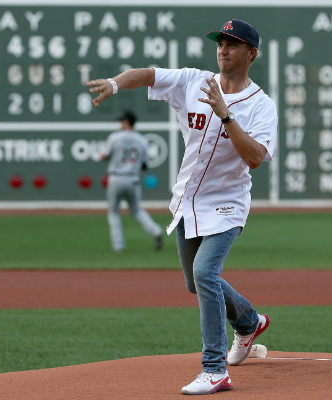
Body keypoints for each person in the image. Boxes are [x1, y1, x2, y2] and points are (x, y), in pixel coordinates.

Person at [87, 19, 277, 395]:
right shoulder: (194, 81)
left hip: (227, 203)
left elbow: (255, 157)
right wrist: (115, 82)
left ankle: (214, 369)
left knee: (206, 272)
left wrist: (226, 114)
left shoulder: (261, 105)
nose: (223, 49)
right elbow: (148, 75)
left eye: (233, 44)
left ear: (251, 53)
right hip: (187, 202)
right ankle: (250, 321)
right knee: (196, 283)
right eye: (220, 42)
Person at [100, 111, 163, 252]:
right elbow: (145, 164)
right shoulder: (142, 140)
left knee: (114, 212)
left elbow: (104, 155)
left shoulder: (114, 137)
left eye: (122, 121)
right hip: (133, 178)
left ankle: (118, 245)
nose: (120, 124)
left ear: (127, 122)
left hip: (116, 177)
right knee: (136, 210)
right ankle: (155, 231)